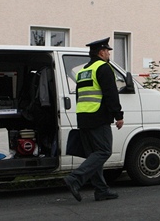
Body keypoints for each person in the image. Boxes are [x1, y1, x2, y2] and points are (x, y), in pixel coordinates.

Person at [64, 37, 124, 202]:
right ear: (101, 52)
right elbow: (111, 94)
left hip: (83, 117)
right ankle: (75, 178)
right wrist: (118, 115)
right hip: (98, 117)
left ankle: (101, 190)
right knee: (104, 151)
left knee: (93, 155)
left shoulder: (83, 71)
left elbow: (79, 96)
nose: (109, 54)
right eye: (108, 51)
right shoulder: (104, 68)